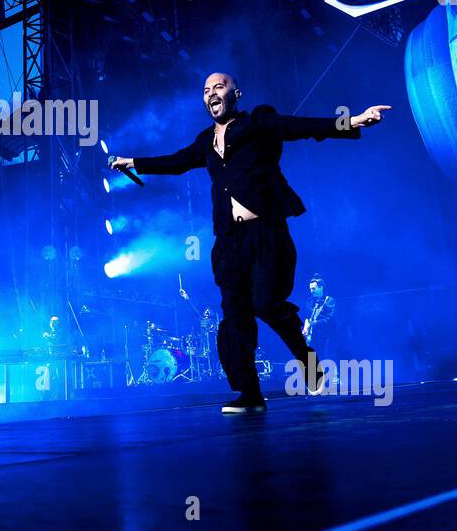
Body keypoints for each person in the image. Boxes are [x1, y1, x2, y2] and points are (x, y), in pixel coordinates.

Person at [110, 72, 389, 412]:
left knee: (266, 302)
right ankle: (250, 394)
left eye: (219, 87)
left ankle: (310, 365)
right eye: (206, 89)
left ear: (236, 93)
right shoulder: (205, 141)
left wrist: (354, 120)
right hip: (228, 241)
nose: (212, 93)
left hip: (266, 232)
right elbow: (177, 161)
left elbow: (299, 126)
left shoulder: (258, 122)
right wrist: (134, 162)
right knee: (234, 317)